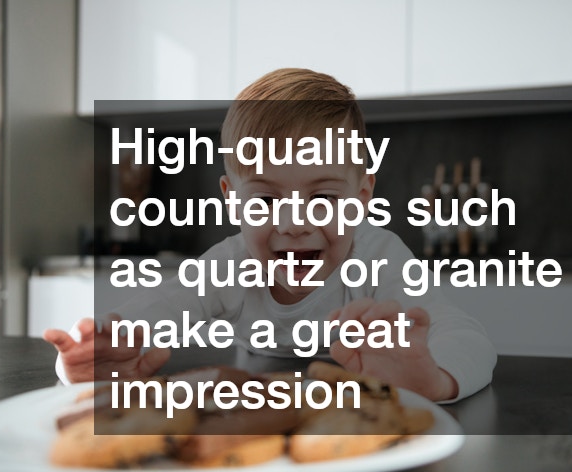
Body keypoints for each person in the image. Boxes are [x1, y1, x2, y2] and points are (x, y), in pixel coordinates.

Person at [43, 68, 496, 402]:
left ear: (360, 199)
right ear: (232, 200)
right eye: (265, 200)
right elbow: (155, 310)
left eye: (322, 198)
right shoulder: (229, 265)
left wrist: (433, 379)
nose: (294, 224)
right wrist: (99, 363)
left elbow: (468, 336)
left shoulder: (378, 257)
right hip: (252, 412)